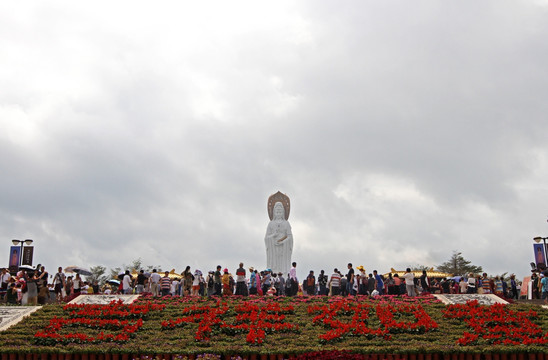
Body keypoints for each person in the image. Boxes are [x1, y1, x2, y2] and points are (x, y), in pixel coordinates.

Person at [265, 201, 294, 276]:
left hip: (284, 248)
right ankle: (273, 273)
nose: (278, 213)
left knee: (282, 263)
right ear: (274, 212)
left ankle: (284, 274)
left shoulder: (286, 223)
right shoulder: (271, 224)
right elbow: (266, 238)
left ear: (283, 212)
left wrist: (283, 241)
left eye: (280, 211)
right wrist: (273, 236)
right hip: (273, 248)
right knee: (275, 263)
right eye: (277, 211)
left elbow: (290, 236)